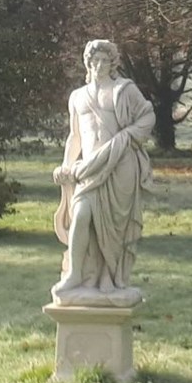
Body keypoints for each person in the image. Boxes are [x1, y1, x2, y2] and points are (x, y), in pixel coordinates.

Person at [51, 39, 153, 306]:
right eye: (94, 60)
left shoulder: (123, 90)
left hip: (119, 167)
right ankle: (75, 274)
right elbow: (75, 136)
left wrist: (126, 137)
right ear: (87, 63)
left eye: (105, 60)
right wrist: (66, 165)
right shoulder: (77, 97)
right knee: (81, 215)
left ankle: (109, 276)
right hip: (90, 168)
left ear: (113, 63)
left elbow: (147, 116)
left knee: (113, 228)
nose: (99, 65)